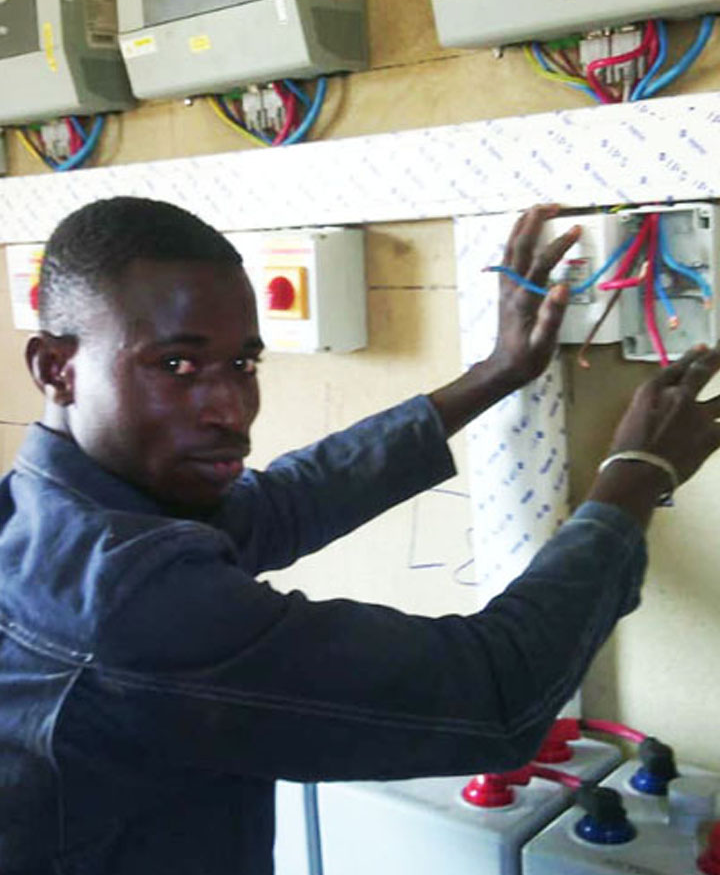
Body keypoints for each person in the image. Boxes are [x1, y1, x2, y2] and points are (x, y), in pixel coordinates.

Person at [0, 198, 718, 875]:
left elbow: (285, 501)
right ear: (55, 368)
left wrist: (498, 372)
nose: (230, 410)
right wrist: (637, 473)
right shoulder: (129, 601)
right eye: (175, 366)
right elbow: (496, 694)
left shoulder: (44, 511)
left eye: (243, 364)